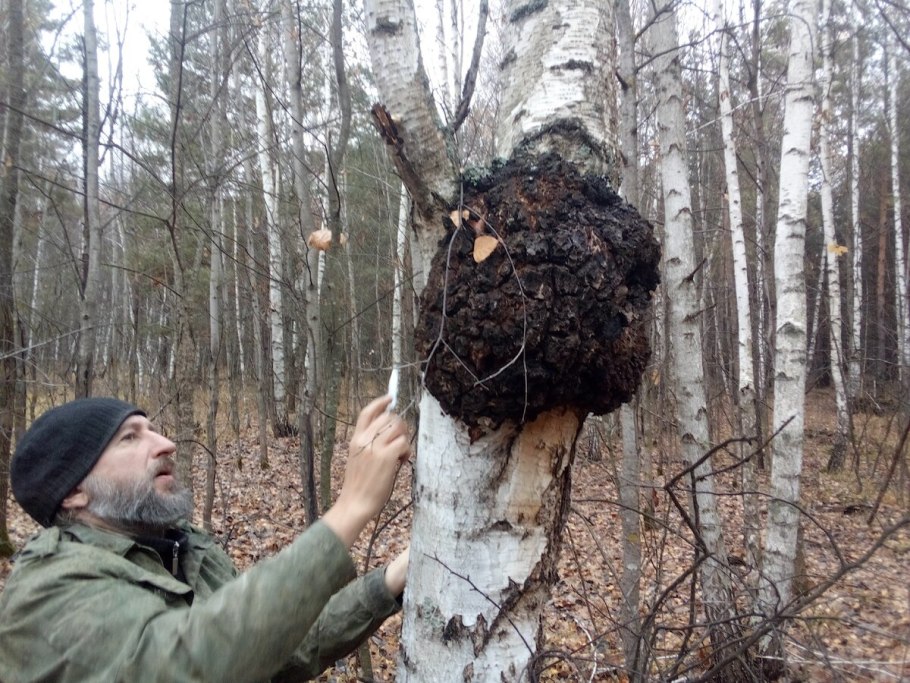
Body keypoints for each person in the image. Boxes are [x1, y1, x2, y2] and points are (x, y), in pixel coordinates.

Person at [0, 394, 411, 682]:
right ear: (74, 492)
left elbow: (283, 646)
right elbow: (194, 664)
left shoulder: (185, 548)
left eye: (153, 430)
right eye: (130, 437)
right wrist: (350, 508)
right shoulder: (47, 592)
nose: (166, 444)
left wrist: (390, 580)